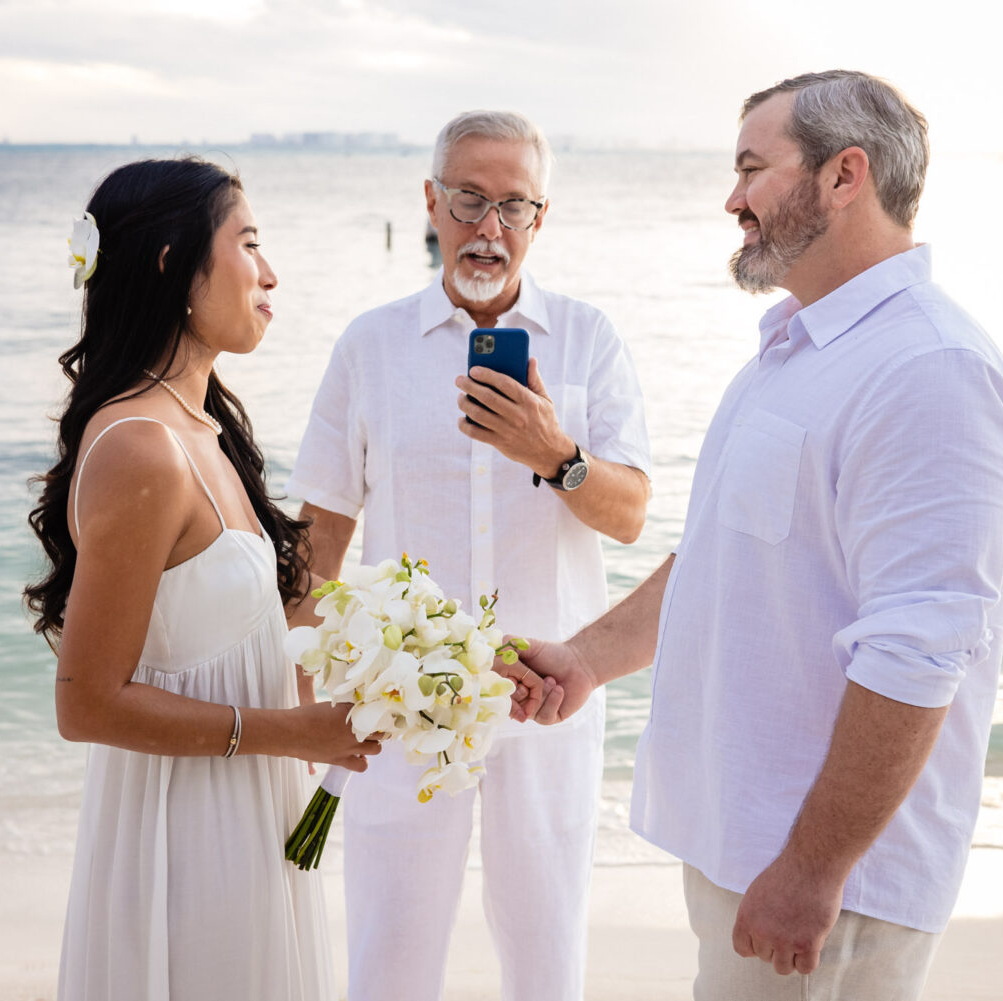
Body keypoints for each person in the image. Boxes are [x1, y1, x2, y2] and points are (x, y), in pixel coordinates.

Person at [511, 71, 1003, 1001]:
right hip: (748, 846)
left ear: (844, 176)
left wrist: (813, 867)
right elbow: (721, 559)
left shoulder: (931, 369)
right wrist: (586, 659)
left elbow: (918, 649)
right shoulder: (796, 350)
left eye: (753, 168)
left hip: (832, 885)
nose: (733, 199)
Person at [286, 110, 652, 1001]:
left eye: (514, 205)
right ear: (430, 202)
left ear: (540, 217)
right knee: (389, 958)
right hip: (399, 701)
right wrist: (301, 708)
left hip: (548, 698)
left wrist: (554, 454)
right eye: (469, 199)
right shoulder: (370, 346)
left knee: (547, 964)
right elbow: (319, 542)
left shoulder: (589, 338)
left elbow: (632, 516)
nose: (490, 227)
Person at [24, 157, 380, 1001]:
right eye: (248, 243)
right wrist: (292, 733)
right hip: (186, 838)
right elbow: (87, 703)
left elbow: (240, 628)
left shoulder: (204, 428)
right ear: (170, 263)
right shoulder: (141, 446)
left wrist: (393, 660)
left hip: (250, 813)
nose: (270, 272)